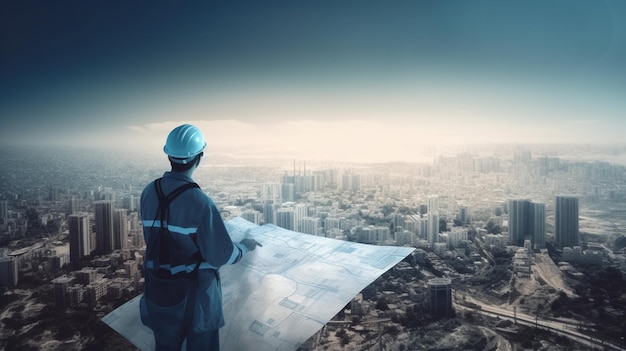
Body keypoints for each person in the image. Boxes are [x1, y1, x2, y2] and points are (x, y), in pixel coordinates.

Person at [140, 124, 261, 350]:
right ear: (199, 157)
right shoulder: (200, 203)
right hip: (195, 295)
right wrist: (243, 247)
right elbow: (221, 256)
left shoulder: (149, 192)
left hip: (158, 286)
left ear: (169, 156)